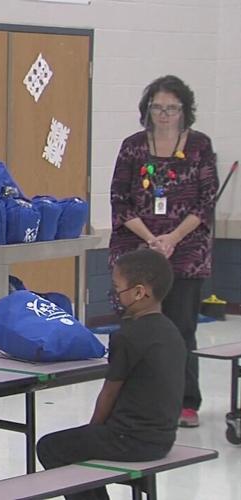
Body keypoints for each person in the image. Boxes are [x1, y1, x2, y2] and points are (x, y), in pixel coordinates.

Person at [108, 75, 219, 427]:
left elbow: (205, 202)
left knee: (181, 328)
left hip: (185, 250)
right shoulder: (132, 147)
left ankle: (185, 402)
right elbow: (119, 200)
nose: (165, 114)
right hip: (137, 249)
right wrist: (152, 241)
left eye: (172, 108)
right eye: (158, 107)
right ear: (147, 110)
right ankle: (132, 400)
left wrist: (171, 239)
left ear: (184, 111)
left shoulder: (200, 146)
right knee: (134, 329)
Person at [37, 249, 186, 500]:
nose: (114, 294)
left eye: (118, 287)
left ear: (139, 292)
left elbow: (109, 393)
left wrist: (92, 430)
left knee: (50, 447)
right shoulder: (172, 331)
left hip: (129, 440)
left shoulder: (127, 336)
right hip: (163, 438)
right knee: (78, 448)